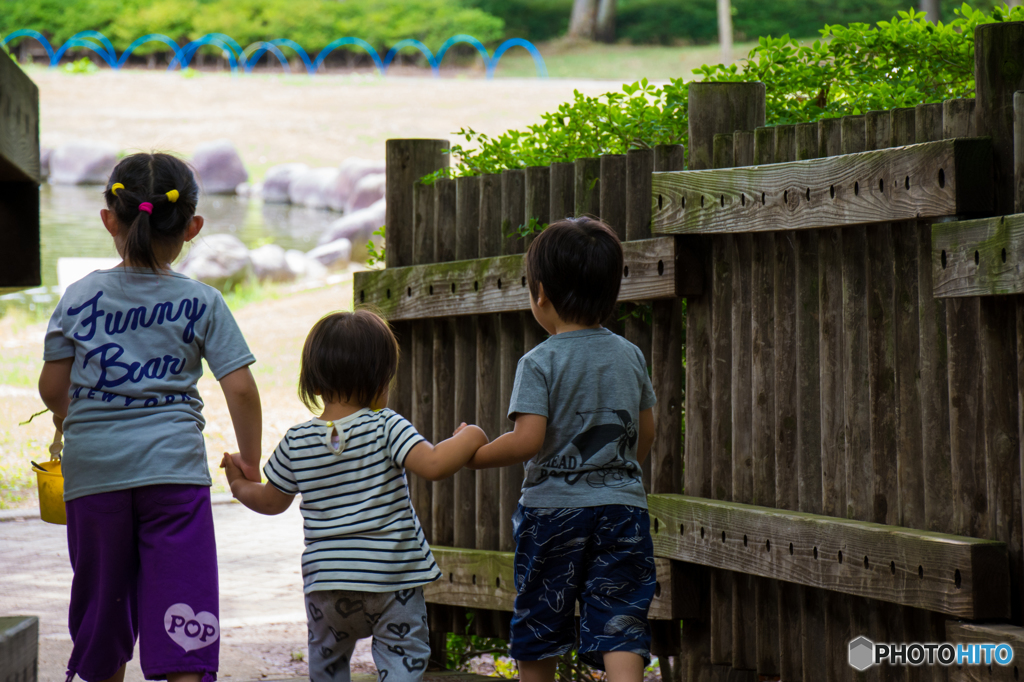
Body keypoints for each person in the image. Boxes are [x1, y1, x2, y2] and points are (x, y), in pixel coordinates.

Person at [37, 153, 263, 682]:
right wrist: (249, 460)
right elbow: (243, 390)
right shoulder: (202, 301)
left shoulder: (79, 296)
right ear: (193, 227)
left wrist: (76, 418)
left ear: (108, 219)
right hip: (174, 478)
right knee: (183, 607)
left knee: (103, 605)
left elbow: (51, 386)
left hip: (95, 479)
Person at [221, 309, 488, 681]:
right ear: (381, 381)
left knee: (328, 666)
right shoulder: (386, 426)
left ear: (313, 383)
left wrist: (237, 484)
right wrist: (470, 435)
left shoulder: (296, 441)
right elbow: (435, 464)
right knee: (402, 658)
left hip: (327, 585)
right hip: (391, 580)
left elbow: (270, 500)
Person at [466, 217, 657, 682]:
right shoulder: (629, 355)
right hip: (622, 509)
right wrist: (620, 475)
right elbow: (645, 429)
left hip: (553, 513)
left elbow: (528, 440)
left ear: (541, 293)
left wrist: (476, 454)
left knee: (541, 616)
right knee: (620, 612)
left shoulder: (540, 361)